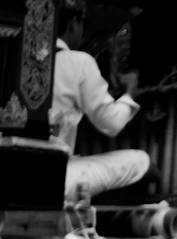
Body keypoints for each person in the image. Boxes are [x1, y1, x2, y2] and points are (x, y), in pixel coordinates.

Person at [53, 1, 148, 201]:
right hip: (57, 177)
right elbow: (111, 122)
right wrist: (130, 93)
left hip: (11, 173)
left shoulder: (17, 57)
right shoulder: (78, 61)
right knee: (143, 162)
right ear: (73, 24)